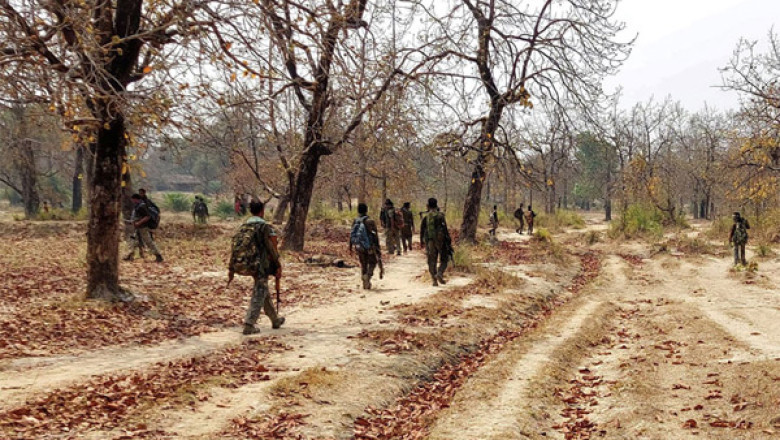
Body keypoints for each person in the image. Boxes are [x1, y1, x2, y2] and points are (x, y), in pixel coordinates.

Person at [230, 201, 285, 335]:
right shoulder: (264, 227)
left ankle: (275, 319)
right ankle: (249, 323)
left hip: (244, 262)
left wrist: (231, 268)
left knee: (263, 288)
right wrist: (277, 265)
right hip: (259, 264)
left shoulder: (244, 226)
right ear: (262, 211)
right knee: (260, 290)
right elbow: (270, 247)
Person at [349, 203, 382, 289]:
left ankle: (365, 282)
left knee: (363, 264)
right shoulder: (370, 221)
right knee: (373, 262)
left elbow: (351, 234)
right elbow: (375, 236)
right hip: (370, 247)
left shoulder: (355, 221)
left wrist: (350, 247)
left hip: (359, 247)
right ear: (366, 210)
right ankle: (368, 276)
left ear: (358, 211)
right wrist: (378, 248)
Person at [420, 197, 451, 287]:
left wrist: (421, 242)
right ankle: (440, 273)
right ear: (436, 205)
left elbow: (422, 230)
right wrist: (448, 241)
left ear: (428, 206)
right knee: (444, 259)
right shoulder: (440, 216)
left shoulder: (426, 217)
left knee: (431, 260)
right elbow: (445, 229)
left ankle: (434, 281)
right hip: (440, 241)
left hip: (430, 241)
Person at [124, 193, 164, 262]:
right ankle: (130, 256)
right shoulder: (138, 205)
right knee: (133, 241)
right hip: (137, 227)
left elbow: (147, 217)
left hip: (142, 227)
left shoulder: (142, 206)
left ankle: (158, 256)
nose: (132, 201)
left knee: (148, 241)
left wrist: (138, 223)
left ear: (135, 199)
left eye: (133, 200)